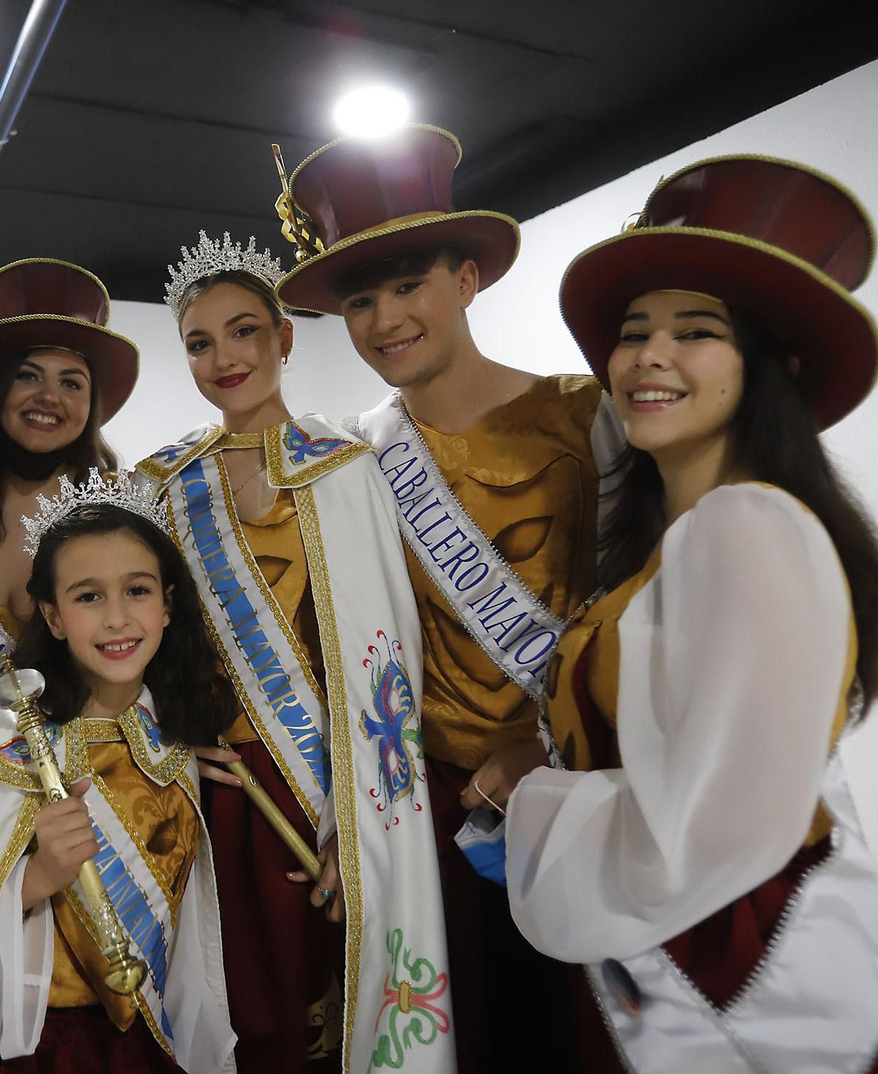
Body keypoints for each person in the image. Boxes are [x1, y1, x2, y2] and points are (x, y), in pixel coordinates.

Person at [502, 154, 878, 1071]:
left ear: (770, 365)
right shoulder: (667, 542)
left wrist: (537, 808)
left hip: (747, 966)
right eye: (635, 332)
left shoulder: (746, 524)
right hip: (674, 937)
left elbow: (714, 830)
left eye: (696, 332)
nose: (650, 357)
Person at [269, 123, 619, 1069]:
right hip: (426, 804)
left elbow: (632, 614)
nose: (385, 320)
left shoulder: (587, 419)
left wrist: (543, 746)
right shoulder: (354, 456)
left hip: (578, 787)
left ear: (468, 280)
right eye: (361, 300)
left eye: (409, 285)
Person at [132, 230, 456, 1071]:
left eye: (244, 331)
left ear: (284, 337)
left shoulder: (345, 469)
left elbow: (385, 657)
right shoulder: (162, 483)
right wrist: (166, 744)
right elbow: (135, 643)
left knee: (328, 993)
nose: (223, 358)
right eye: (199, 344)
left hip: (323, 784)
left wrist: (360, 828)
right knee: (237, 999)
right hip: (213, 786)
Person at [0, 473, 238, 1073]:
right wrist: (40, 875)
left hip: (149, 1042)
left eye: (136, 590)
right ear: (53, 618)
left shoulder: (176, 736)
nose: (117, 618)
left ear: (167, 604)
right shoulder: (5, 743)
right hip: (46, 1047)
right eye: (88, 597)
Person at [0, 258, 136, 818]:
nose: (49, 397)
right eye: (28, 375)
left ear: (91, 406)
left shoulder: (120, 512)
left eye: (72, 382)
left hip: (88, 783)